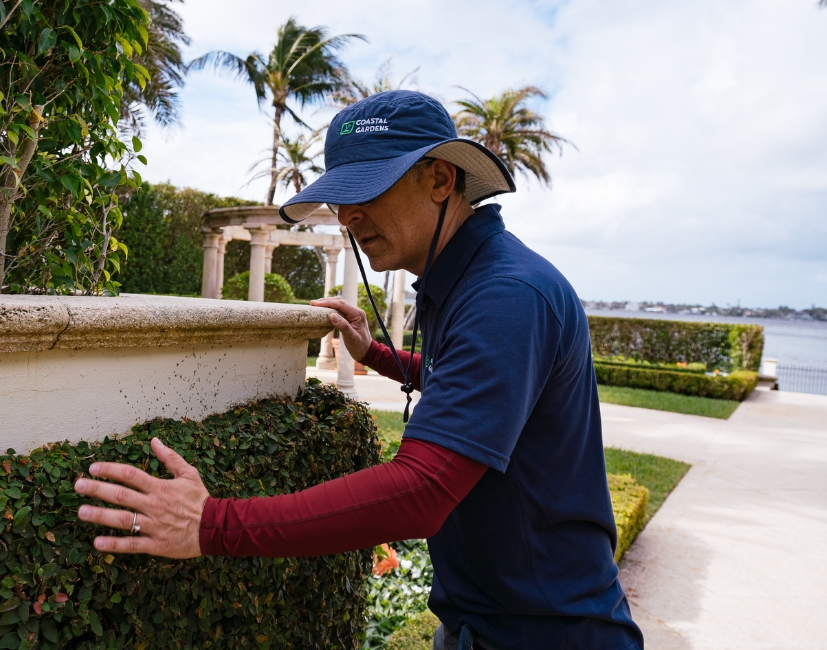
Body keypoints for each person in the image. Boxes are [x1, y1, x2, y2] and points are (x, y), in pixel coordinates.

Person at [71, 90, 644, 650]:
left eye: (367, 188)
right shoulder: (473, 279)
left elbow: (423, 488)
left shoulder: (506, 295)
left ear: (441, 180)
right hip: (492, 623)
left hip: (547, 633)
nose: (348, 216)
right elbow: (476, 387)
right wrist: (377, 354)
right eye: (341, 197)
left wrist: (210, 525)